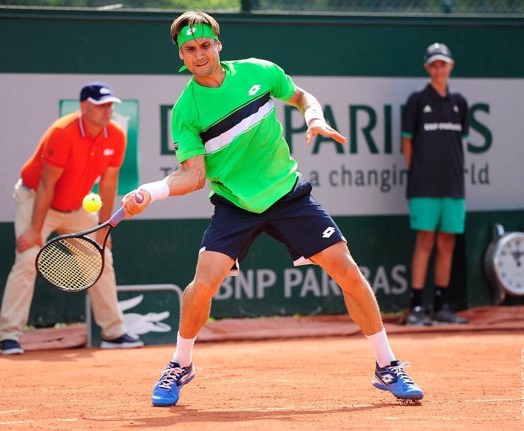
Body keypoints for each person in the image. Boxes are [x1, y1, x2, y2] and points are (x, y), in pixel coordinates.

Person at [121, 11, 423, 407]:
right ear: (180, 54)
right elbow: (193, 175)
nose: (199, 54)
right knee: (202, 285)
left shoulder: (260, 72)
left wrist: (313, 116)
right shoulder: (187, 111)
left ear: (218, 44)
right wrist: (152, 190)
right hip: (235, 203)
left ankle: (387, 366)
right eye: (190, 49)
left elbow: (299, 96)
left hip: (287, 193)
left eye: (205, 45)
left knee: (348, 271)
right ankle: (180, 364)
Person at [0, 82, 143, 354]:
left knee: (101, 259)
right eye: (101, 105)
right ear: (84, 107)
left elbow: (109, 185)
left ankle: (113, 332)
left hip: (76, 206)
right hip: (37, 200)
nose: (107, 110)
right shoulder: (62, 133)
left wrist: (103, 231)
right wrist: (34, 231)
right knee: (28, 260)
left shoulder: (117, 136)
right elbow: (45, 186)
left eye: (110, 105)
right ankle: (9, 335)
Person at [401, 43, 469, 326]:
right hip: (424, 185)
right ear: (428, 68)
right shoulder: (417, 101)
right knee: (425, 240)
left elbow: (460, 146)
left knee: (448, 243)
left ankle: (440, 306)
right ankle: (417, 307)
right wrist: (415, 175)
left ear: (450, 66)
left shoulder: (460, 104)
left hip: (453, 186)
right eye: (434, 64)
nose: (439, 68)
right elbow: (407, 142)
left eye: (443, 63)